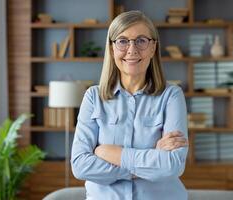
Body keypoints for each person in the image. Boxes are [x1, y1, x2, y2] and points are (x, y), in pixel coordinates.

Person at [71, 10, 188, 200]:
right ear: (111, 49)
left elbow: (172, 166)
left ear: (152, 48)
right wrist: (147, 161)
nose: (132, 49)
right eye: (123, 41)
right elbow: (80, 165)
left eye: (141, 40)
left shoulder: (171, 96)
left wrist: (108, 153)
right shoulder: (93, 97)